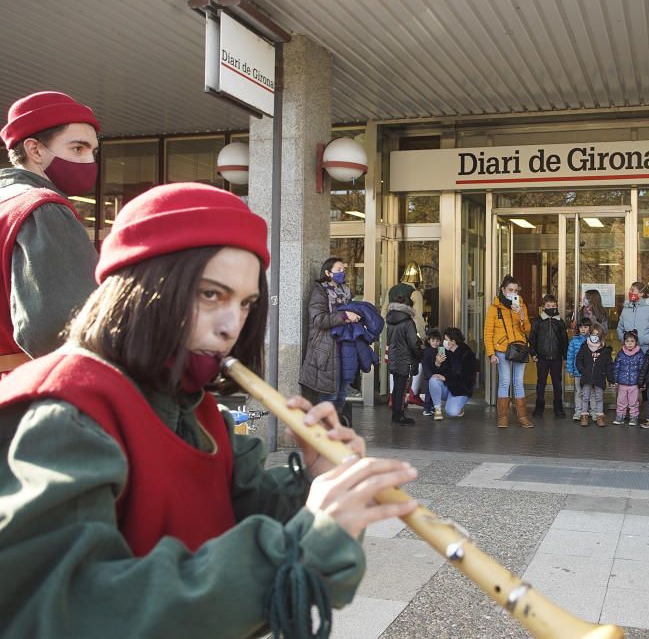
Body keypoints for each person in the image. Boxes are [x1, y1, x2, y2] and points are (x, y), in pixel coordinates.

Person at [0, 182, 418, 637]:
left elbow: (238, 509)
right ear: (143, 288)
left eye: (245, 304)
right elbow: (63, 611)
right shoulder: (65, 411)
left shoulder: (196, 410)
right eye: (211, 295)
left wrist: (316, 485)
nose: (231, 326)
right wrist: (294, 551)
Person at [1, 91, 101, 375]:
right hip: (26, 390)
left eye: (93, 152)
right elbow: (64, 328)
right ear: (35, 150)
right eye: (78, 149)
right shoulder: (42, 209)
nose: (89, 162)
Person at [299, 257, 359, 419]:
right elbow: (319, 319)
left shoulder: (346, 291)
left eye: (343, 270)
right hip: (326, 350)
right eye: (338, 270)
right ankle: (323, 432)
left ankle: (334, 428)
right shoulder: (320, 291)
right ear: (327, 272)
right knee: (329, 395)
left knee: (342, 394)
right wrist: (344, 315)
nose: (342, 272)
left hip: (346, 347)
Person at [484, 275, 533, 428]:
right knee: (505, 381)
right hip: (501, 349)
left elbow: (527, 329)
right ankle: (503, 417)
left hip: (519, 348)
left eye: (516, 290)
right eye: (510, 290)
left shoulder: (521, 306)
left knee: (518, 382)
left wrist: (522, 315)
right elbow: (488, 333)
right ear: (503, 290)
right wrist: (491, 353)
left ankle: (522, 417)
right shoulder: (494, 308)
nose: (513, 293)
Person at [384, 261, 426, 407]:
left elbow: (384, 313)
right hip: (408, 332)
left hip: (391, 333)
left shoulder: (391, 290)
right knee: (418, 361)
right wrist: (423, 336)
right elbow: (418, 318)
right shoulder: (415, 293)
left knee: (393, 363)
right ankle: (413, 393)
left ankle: (392, 397)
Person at [528, 293, 568, 419]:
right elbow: (532, 339)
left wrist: (565, 357)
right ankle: (539, 408)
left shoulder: (560, 322)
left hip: (556, 358)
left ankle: (558, 408)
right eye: (548, 305)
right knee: (541, 383)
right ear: (543, 307)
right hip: (542, 357)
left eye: (553, 305)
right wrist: (533, 353)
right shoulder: (538, 322)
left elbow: (564, 340)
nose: (551, 307)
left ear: (556, 306)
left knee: (557, 383)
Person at [385, 296, 422, 426]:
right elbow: (413, 343)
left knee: (396, 388)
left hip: (394, 357)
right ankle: (399, 415)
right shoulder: (408, 322)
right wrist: (419, 354)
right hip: (405, 359)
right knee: (402, 388)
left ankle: (396, 415)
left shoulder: (390, 320)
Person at [428, 327, 477, 419]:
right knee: (433, 380)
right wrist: (437, 363)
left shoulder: (467, 354)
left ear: (453, 342)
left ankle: (459, 406)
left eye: (446, 340)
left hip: (461, 389)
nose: (444, 342)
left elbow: (466, 378)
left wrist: (446, 378)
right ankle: (437, 410)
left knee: (452, 412)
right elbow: (438, 373)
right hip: (448, 386)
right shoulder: (445, 352)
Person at [575, 323, 615, 427]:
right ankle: (584, 416)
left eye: (597, 334)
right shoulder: (584, 347)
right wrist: (582, 370)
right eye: (593, 334)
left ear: (601, 336)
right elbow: (579, 359)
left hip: (599, 377)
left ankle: (599, 417)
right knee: (585, 397)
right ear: (589, 334)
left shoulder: (605, 351)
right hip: (586, 377)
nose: (595, 336)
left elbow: (609, 366)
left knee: (599, 398)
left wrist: (611, 379)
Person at [617, 281, 649, 354]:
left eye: (632, 290)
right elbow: (620, 328)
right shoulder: (625, 309)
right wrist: (625, 340)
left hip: (645, 351)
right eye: (630, 290)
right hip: (628, 352)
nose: (630, 292)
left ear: (641, 294)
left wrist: (642, 340)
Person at [612, 330, 644, 426]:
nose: (629, 343)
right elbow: (616, 367)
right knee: (621, 400)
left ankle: (634, 416)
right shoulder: (621, 354)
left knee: (634, 401)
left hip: (634, 383)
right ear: (624, 342)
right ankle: (620, 416)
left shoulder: (640, 354)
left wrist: (642, 383)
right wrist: (615, 380)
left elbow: (643, 370)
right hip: (622, 382)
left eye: (632, 341)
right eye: (627, 341)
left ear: (636, 342)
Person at [565, 317, 591, 422]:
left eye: (586, 327)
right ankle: (578, 411)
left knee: (589, 392)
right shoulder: (574, 341)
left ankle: (587, 410)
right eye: (581, 327)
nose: (583, 329)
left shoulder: (592, 340)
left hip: (589, 372)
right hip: (577, 372)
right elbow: (570, 355)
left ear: (590, 328)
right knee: (579, 392)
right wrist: (570, 370)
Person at [419, 328, 443, 418]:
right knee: (429, 392)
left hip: (435, 375)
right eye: (433, 340)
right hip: (429, 376)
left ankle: (432, 407)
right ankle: (427, 408)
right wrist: (430, 375)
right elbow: (425, 365)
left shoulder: (439, 350)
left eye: (437, 340)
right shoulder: (427, 351)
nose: (435, 343)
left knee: (434, 392)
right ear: (429, 341)